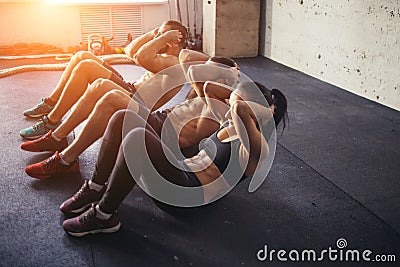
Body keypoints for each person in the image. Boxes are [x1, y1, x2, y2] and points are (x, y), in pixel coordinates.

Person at [61, 81, 288, 236]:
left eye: (235, 104)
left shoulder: (257, 151)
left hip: (186, 197)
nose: (228, 109)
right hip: (176, 173)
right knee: (123, 117)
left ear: (259, 113)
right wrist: (237, 94)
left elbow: (239, 110)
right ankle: (96, 186)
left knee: (137, 136)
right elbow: (208, 87)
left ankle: (103, 216)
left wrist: (261, 109)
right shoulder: (228, 122)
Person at [23, 55, 240, 179]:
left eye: (210, 71)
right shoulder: (207, 90)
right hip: (158, 122)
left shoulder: (224, 101)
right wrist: (213, 63)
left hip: (163, 137)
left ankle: (64, 158)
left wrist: (229, 73)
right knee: (104, 89)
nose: (202, 70)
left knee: (112, 96)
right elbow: (186, 58)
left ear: (223, 78)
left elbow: (193, 72)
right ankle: (60, 139)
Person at [20, 20, 188, 140]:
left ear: (174, 40)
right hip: (129, 88)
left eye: (161, 35)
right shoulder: (164, 56)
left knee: (86, 66)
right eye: (158, 34)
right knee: (82, 56)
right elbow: (129, 51)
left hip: (135, 101)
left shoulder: (175, 63)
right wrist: (154, 33)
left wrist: (162, 37)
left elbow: (141, 56)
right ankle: (51, 103)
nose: (157, 37)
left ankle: (51, 121)